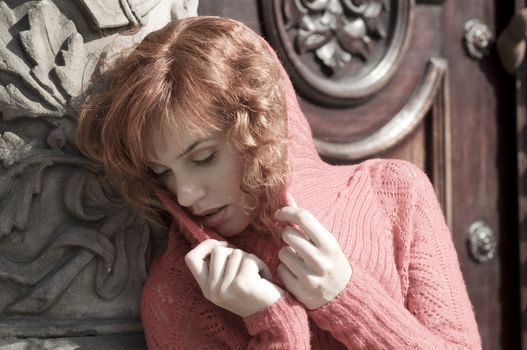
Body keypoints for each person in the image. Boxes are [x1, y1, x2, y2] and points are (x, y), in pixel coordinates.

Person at [76, 16, 482, 349]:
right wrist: (273, 323)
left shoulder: (394, 193)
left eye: (203, 158)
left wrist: (348, 298)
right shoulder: (177, 293)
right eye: (161, 172)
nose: (184, 194)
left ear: (261, 125)